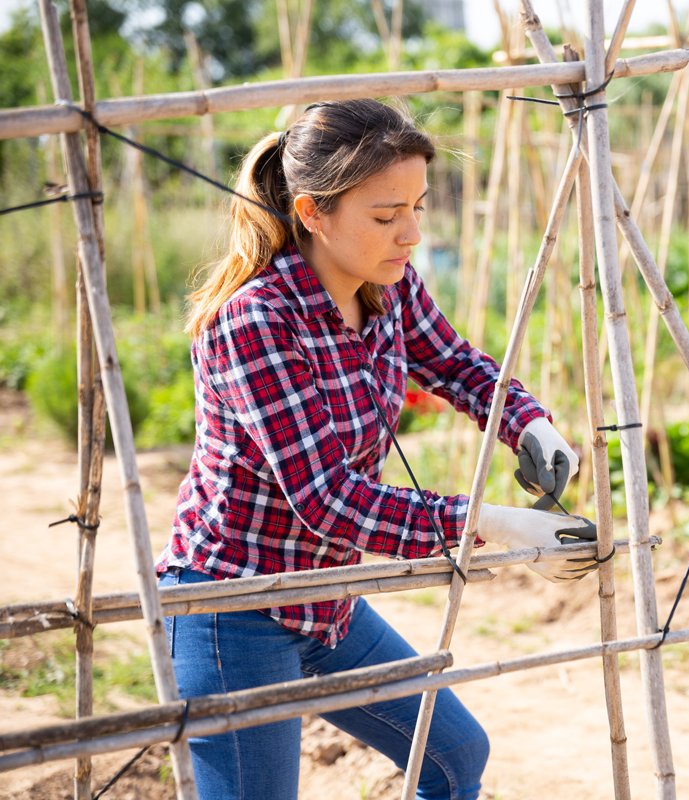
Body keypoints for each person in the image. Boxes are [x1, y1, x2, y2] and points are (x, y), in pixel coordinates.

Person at [156, 99, 597, 800]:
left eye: (418, 208)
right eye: (387, 215)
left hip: (326, 600)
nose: (412, 233)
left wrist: (529, 421)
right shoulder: (255, 321)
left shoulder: (386, 284)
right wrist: (492, 521)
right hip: (232, 607)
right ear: (312, 212)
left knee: (453, 758)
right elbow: (328, 502)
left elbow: (454, 364)